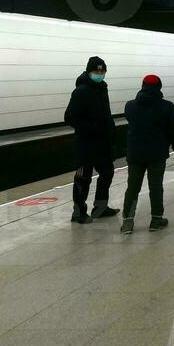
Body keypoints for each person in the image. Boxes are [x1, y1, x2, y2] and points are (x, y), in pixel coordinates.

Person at [120, 75, 174, 234]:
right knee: (155, 187)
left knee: (132, 188)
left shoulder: (130, 106)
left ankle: (128, 222)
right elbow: (173, 129)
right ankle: (156, 220)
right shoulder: (167, 107)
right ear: (159, 88)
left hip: (135, 154)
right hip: (156, 153)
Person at [64, 56, 120, 224]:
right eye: (96, 71)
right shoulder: (81, 91)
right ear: (89, 72)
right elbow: (70, 117)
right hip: (86, 144)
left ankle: (100, 207)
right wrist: (92, 128)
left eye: (102, 71)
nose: (99, 74)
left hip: (102, 143)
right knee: (82, 177)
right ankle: (78, 212)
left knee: (107, 173)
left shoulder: (102, 88)